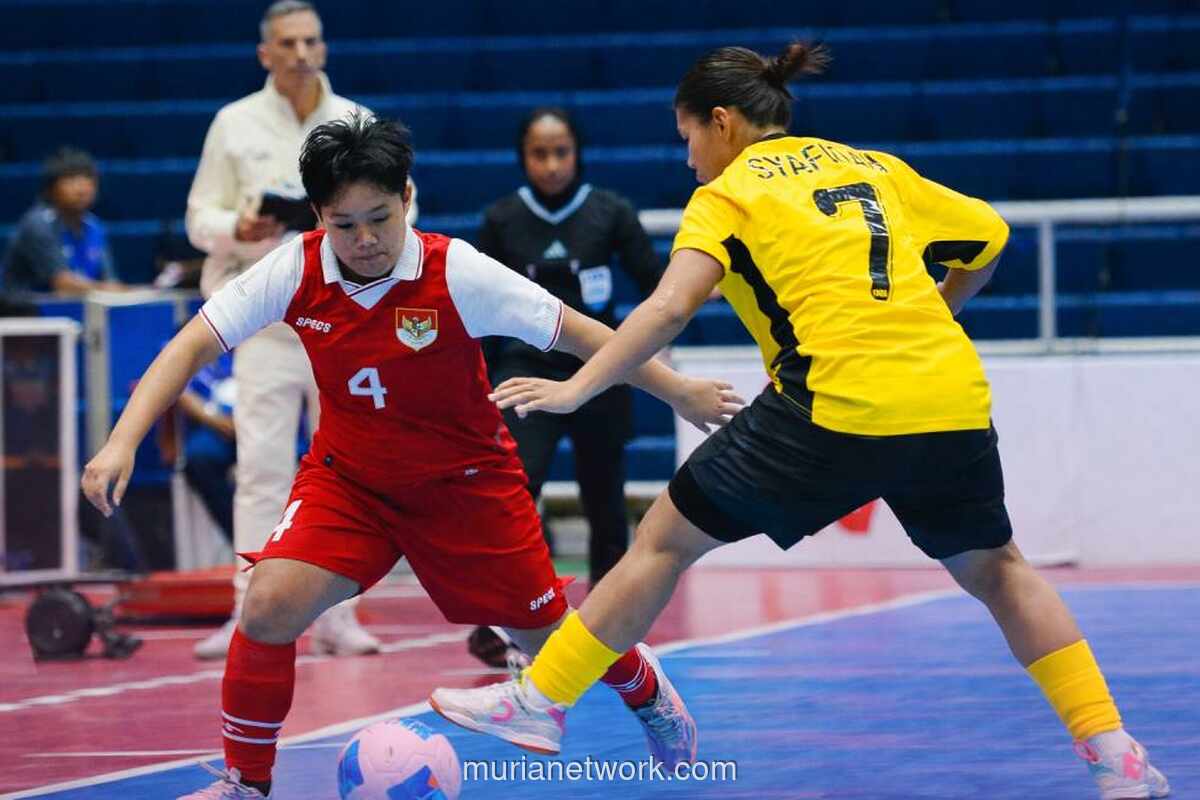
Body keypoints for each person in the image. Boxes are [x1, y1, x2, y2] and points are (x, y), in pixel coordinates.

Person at [428, 43, 1171, 800]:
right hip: (948, 395)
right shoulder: (874, 166)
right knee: (1000, 571)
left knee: (663, 539)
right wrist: (941, 305)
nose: (688, 160)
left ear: (721, 123)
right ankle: (1115, 754)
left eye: (687, 138)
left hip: (831, 404)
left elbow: (669, 306)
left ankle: (540, 701)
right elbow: (990, 238)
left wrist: (577, 388)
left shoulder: (727, 194)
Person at [83, 114, 741, 799]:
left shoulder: (456, 270)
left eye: (380, 217)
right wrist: (122, 439)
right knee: (268, 607)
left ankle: (645, 686)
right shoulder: (294, 267)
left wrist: (679, 391)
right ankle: (247, 784)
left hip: (466, 489)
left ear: (408, 197)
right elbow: (190, 344)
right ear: (318, 216)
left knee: (550, 643)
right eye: (344, 224)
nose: (364, 240)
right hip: (352, 484)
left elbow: (582, 334)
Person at [185, 0, 410, 660]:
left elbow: (406, 204)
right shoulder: (232, 125)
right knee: (260, 467)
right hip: (265, 319)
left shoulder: (358, 122)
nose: (302, 52)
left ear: (324, 47)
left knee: (354, 467)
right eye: (288, 42)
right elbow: (200, 215)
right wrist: (238, 229)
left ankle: (340, 615)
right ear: (266, 53)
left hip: (347, 320)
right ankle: (248, 608)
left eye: (311, 40)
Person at [466, 107, 665, 669]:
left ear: (577, 153)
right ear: (523, 157)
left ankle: (610, 623)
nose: (551, 165)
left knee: (605, 497)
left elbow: (657, 286)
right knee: (513, 491)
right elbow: (478, 308)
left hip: (600, 367)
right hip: (525, 370)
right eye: (539, 153)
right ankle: (505, 618)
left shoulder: (610, 211)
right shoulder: (502, 218)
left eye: (561, 152)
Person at [1, 147, 124, 295]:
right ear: (50, 189)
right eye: (71, 180)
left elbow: (109, 280)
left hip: (82, 310)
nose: (81, 189)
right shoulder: (37, 224)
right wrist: (110, 289)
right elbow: (63, 284)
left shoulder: (95, 227)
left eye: (88, 180)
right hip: (28, 313)